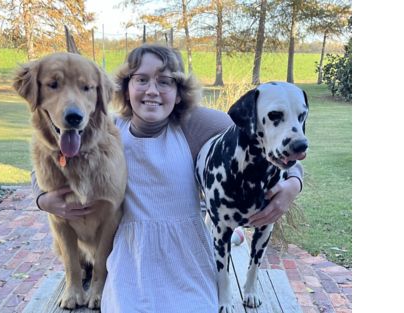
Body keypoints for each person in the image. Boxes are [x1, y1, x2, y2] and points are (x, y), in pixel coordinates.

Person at [32, 44, 303, 312]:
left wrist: (293, 182)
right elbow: (49, 163)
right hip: (131, 253)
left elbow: (266, 139)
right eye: (141, 80)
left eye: (165, 82)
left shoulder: (197, 124)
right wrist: (42, 198)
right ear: (125, 87)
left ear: (179, 91)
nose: (152, 90)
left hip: (185, 254)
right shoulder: (110, 129)